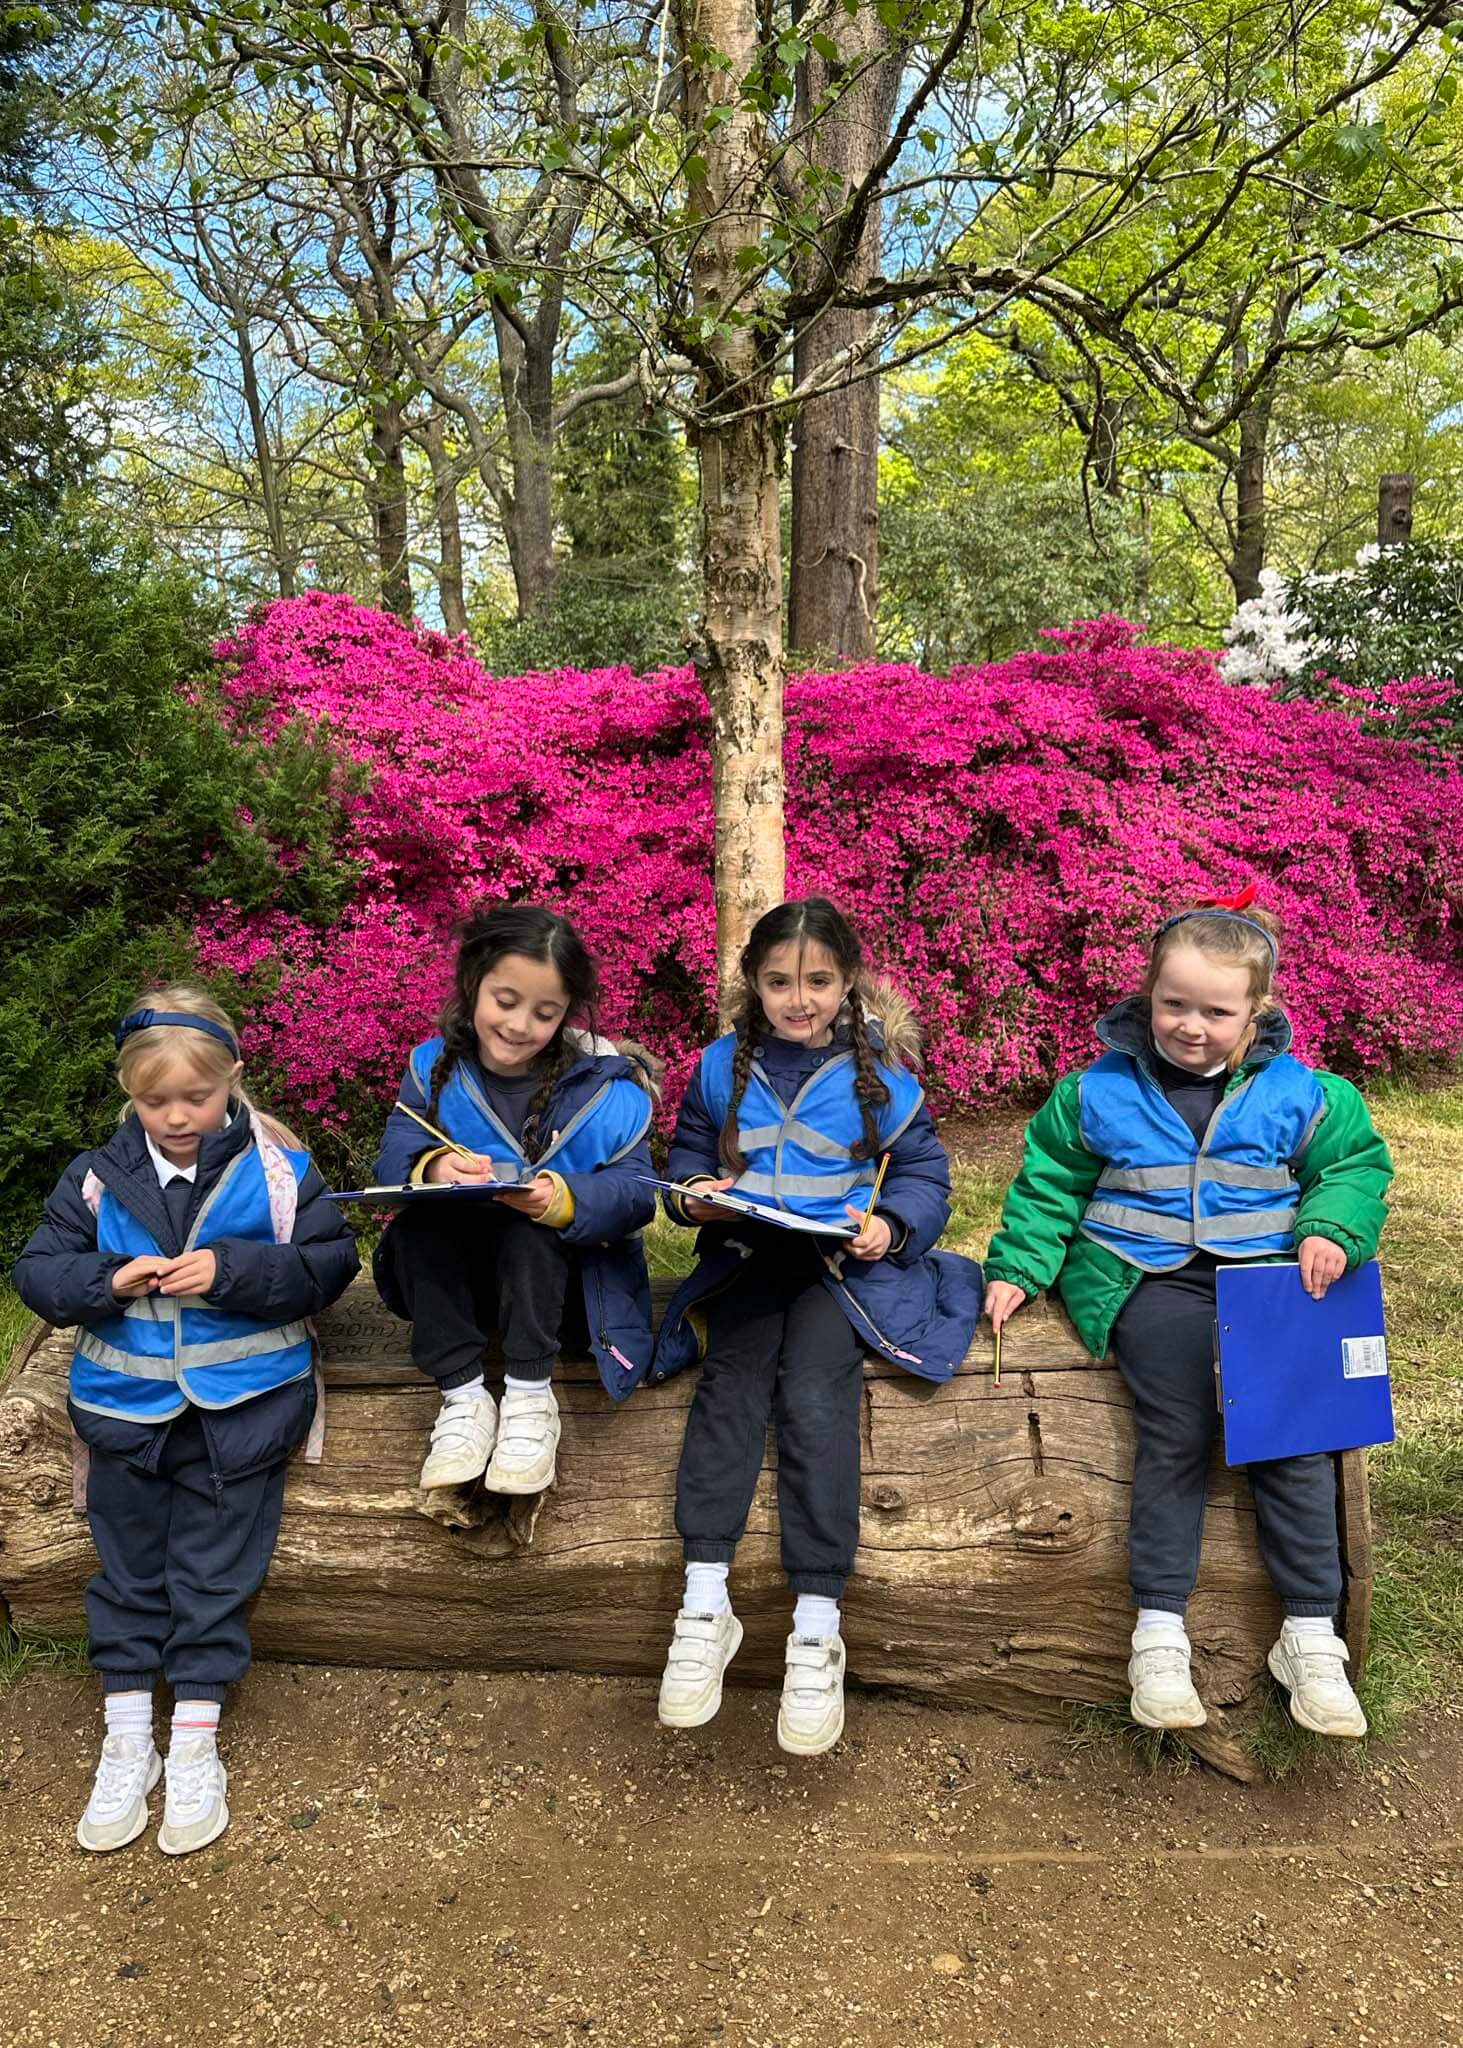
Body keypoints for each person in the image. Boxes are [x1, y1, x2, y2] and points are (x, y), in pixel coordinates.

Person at [982, 889, 1393, 1738]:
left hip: (1272, 1284)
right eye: (1173, 1004)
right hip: (1146, 1280)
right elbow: (1048, 1183)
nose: (1190, 1026)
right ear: (1146, 995)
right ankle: (1158, 1631)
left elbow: (1353, 1167)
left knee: (1291, 1433)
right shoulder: (1094, 1091)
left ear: (1257, 1011)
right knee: (1176, 1426)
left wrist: (1330, 1228)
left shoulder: (1304, 1093)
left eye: (1215, 1010)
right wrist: (1021, 1265)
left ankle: (1310, 1633)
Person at [13, 987, 359, 1855]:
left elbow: (329, 1264)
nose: (176, 1116)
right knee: (126, 1574)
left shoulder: (280, 1170)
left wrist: (233, 1272)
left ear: (232, 1081)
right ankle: (129, 1738)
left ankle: (195, 1742)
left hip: (242, 1415)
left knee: (213, 1578)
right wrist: (107, 1283)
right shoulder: (94, 1177)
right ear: (130, 1095)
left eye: (195, 1098)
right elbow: (39, 1273)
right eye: (154, 1100)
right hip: (123, 1415)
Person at [650, 897, 984, 1756]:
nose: (799, 999)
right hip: (752, 1259)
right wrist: (695, 1196)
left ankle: (816, 1620)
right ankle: (703, 1601)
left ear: (846, 979)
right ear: (752, 984)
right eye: (778, 982)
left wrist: (894, 1227)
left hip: (841, 1273)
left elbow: (922, 1172)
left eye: (817, 981)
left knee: (815, 1403)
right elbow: (689, 1150)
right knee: (727, 1390)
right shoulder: (721, 1065)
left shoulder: (884, 1072)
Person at [373, 902, 658, 1495]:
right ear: (474, 984)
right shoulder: (433, 1069)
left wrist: (565, 1197)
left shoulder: (610, 1091)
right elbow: (393, 1158)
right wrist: (434, 1167)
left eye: (545, 1013)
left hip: (570, 1302)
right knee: (417, 1229)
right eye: (505, 1002)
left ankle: (531, 1399)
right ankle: (463, 1399)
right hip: (465, 1294)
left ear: (565, 1016)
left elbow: (637, 1196)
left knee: (530, 1228)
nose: (520, 1025)